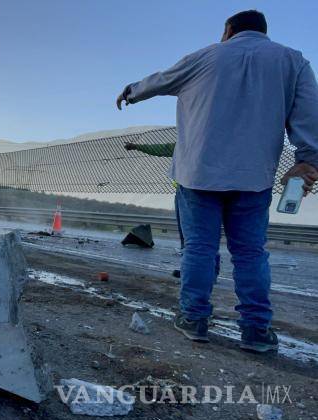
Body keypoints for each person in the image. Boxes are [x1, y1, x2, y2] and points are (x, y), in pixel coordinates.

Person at [116, 10, 318, 353]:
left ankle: (194, 319)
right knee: (251, 252)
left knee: (199, 247)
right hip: (253, 176)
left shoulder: (205, 55)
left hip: (199, 174)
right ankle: (256, 330)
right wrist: (308, 159)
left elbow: (162, 79)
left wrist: (132, 92)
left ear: (228, 30)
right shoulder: (292, 61)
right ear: (263, 32)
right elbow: (309, 112)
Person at [124, 141, 221, 280]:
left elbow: (162, 148)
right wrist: (137, 146)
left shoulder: (192, 142)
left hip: (195, 192)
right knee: (196, 235)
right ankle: (193, 270)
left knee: (195, 236)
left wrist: (137, 146)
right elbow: (161, 148)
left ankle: (202, 272)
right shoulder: (192, 143)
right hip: (191, 191)